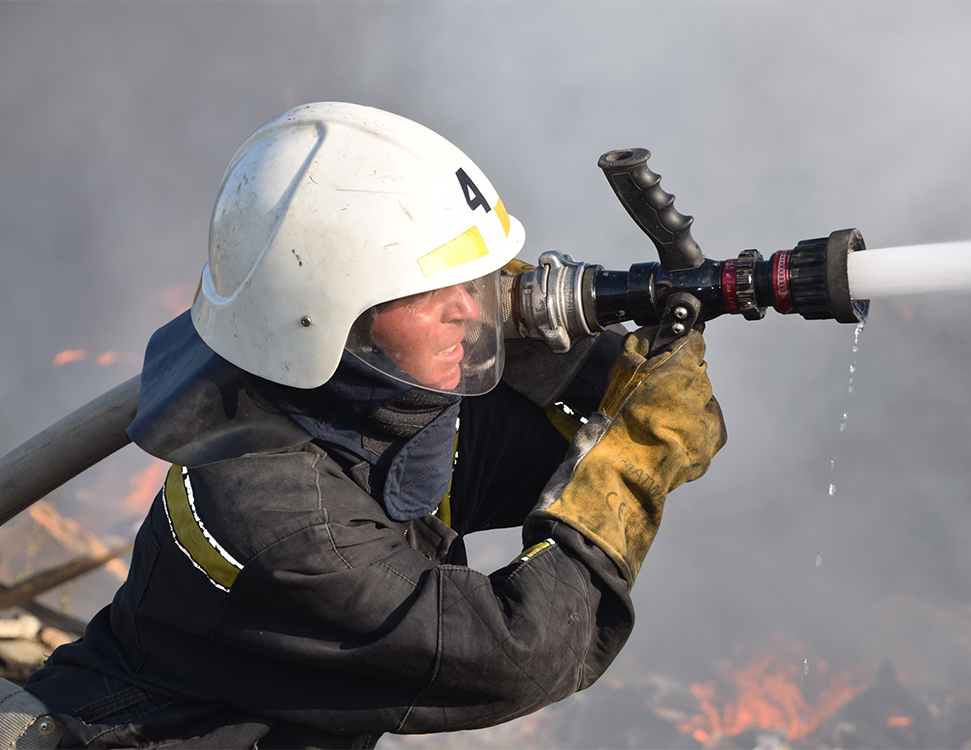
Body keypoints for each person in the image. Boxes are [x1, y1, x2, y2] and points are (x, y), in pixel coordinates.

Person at [23, 102, 727, 749]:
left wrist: (610, 365)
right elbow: (519, 651)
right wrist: (638, 455)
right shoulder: (281, 519)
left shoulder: (349, 400)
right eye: (431, 289)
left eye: (476, 278)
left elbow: (553, 457)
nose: (473, 310)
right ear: (329, 315)